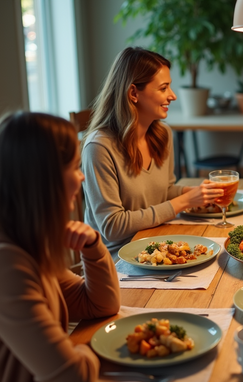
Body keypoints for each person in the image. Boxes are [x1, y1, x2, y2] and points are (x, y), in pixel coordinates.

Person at [0, 112, 121, 382]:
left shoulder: (24, 242)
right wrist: (89, 349)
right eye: (73, 167)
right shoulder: (3, 266)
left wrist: (93, 247)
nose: (81, 176)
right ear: (43, 179)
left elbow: (100, 304)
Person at [82, 47, 222, 256]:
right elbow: (112, 226)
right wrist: (183, 202)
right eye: (163, 88)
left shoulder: (162, 134)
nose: (172, 96)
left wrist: (193, 193)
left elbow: (162, 192)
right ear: (133, 93)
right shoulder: (99, 147)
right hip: (116, 261)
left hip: (157, 243)